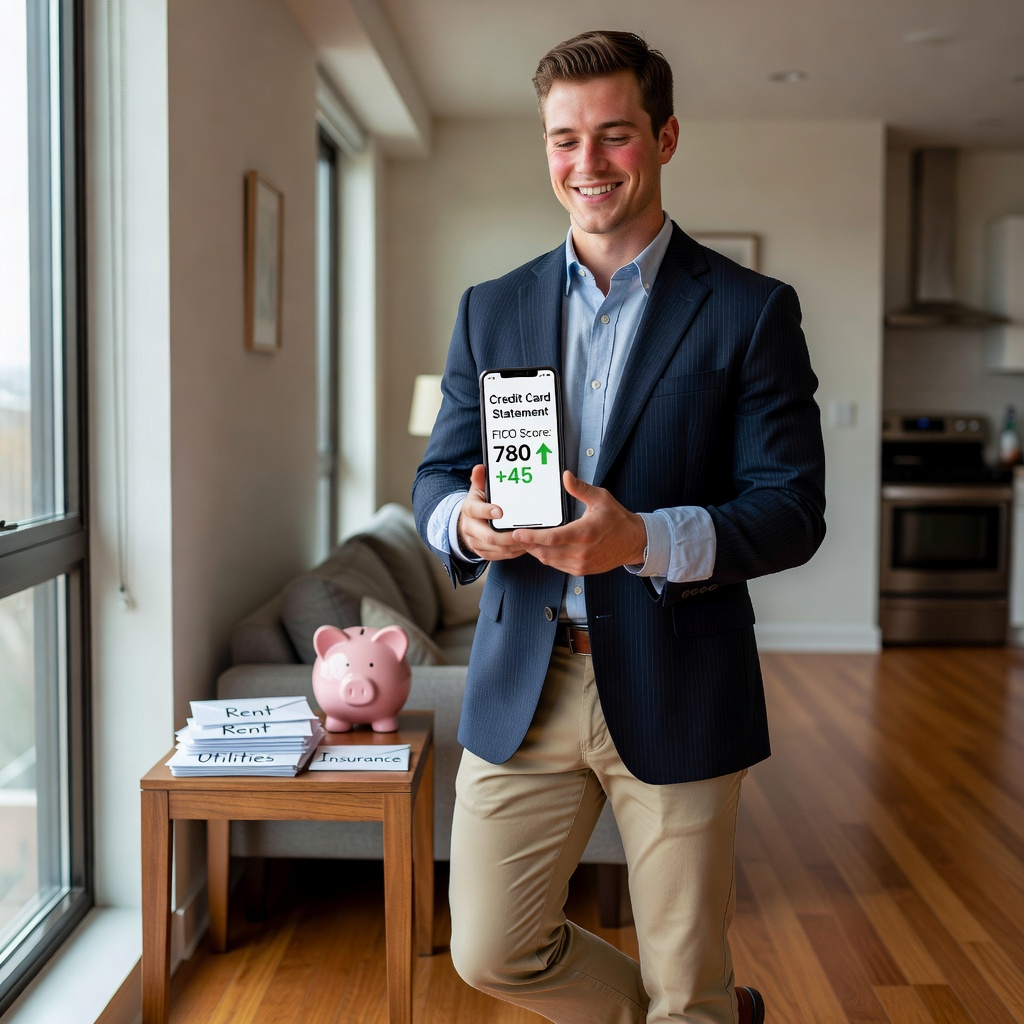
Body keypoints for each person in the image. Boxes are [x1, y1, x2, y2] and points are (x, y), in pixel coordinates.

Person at [412, 29, 825, 1024]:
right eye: (563, 140)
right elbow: (434, 475)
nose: (585, 165)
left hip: (680, 668)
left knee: (688, 981)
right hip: (525, 675)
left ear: (665, 137)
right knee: (489, 948)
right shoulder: (490, 306)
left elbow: (792, 510)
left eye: (613, 136)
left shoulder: (749, 310)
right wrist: (462, 522)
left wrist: (636, 538)